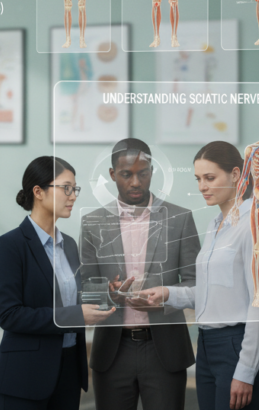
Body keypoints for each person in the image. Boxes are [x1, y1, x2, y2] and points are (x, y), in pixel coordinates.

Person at [142, 141, 259, 410]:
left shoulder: (255, 224)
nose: (202, 186)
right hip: (206, 346)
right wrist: (167, 293)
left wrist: (246, 370)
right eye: (199, 179)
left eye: (210, 178)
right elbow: (212, 291)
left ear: (236, 175)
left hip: (236, 347)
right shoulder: (215, 225)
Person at [80, 138, 200, 410]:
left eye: (142, 173)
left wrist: (165, 297)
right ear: (112, 175)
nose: (136, 182)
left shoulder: (180, 219)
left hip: (165, 351)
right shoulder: (91, 223)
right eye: (126, 174)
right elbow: (85, 288)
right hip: (112, 350)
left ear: (152, 172)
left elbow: (197, 285)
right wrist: (109, 294)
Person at [0, 156, 115, 409]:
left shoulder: (68, 243)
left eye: (75, 189)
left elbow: (70, 298)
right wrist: (75, 316)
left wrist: (108, 292)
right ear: (38, 192)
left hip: (68, 369)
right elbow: (10, 315)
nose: (73, 196)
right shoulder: (10, 246)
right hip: (25, 375)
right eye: (66, 188)